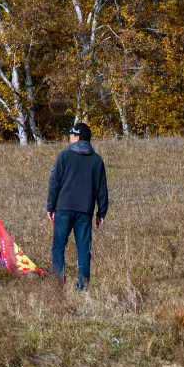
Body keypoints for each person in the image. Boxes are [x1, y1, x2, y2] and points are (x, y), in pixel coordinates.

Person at [47, 121, 109, 291]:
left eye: (72, 135)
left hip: (63, 208)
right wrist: (101, 213)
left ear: (78, 137)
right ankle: (82, 286)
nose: (69, 138)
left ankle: (58, 282)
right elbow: (101, 188)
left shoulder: (64, 156)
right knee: (84, 248)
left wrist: (50, 207)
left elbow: (54, 183)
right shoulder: (97, 160)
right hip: (85, 211)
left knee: (59, 246)